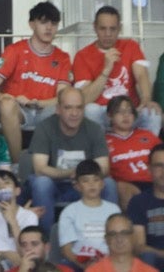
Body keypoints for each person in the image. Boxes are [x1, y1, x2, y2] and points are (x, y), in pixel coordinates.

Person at [0, 1, 73, 160]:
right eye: (43, 22)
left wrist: (37, 103)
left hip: (44, 109)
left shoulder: (63, 57)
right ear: (32, 24)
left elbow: (62, 97)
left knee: (68, 107)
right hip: (17, 110)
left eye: (53, 23)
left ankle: (60, 164)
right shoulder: (14, 50)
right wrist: (3, 97)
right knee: (7, 105)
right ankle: (17, 165)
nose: (49, 27)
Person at [29, 88, 116, 235]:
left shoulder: (94, 129)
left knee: (108, 183)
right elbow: (40, 168)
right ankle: (45, 239)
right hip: (55, 186)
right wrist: (72, 172)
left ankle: (110, 235)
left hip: (84, 185)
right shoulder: (44, 127)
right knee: (41, 183)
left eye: (79, 108)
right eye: (68, 108)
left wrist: (83, 178)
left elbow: (103, 168)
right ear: (58, 109)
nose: (74, 113)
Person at [78, 7, 162, 135]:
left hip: (130, 111)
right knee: (90, 110)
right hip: (103, 113)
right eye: (103, 28)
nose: (108, 34)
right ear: (95, 28)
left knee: (153, 113)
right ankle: (99, 148)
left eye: (113, 29)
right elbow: (85, 98)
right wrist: (106, 70)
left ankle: (149, 147)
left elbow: (141, 75)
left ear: (119, 28)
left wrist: (146, 99)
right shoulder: (82, 55)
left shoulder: (131, 46)